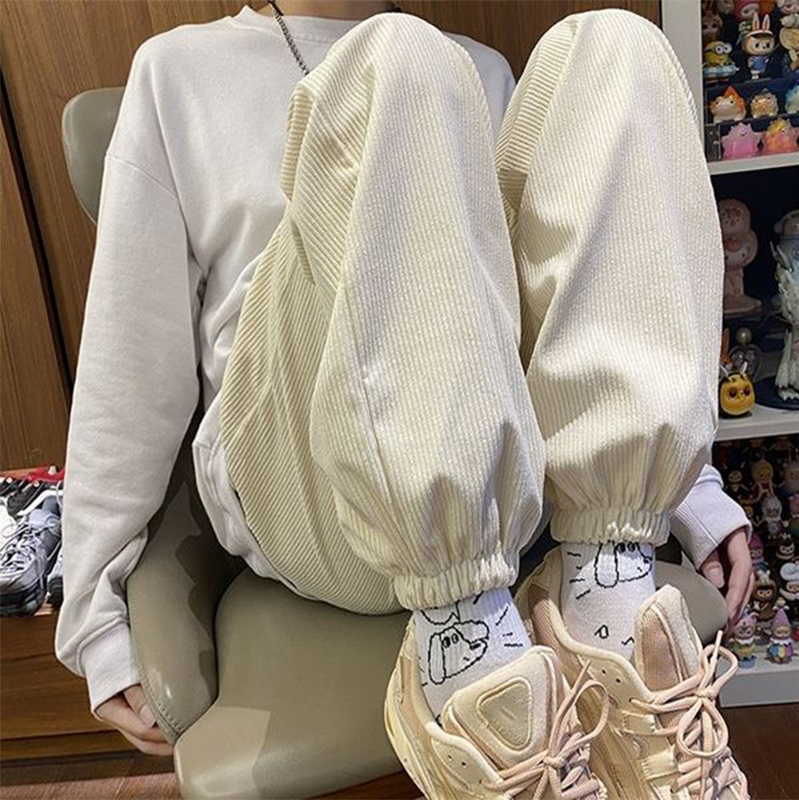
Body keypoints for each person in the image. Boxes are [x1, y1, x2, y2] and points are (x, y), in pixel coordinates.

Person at [56, 2, 752, 795]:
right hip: (310, 487)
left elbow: (583, 290)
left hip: (509, 508)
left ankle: (611, 608)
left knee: (618, 48)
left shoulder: (482, 71)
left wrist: (688, 490)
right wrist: (93, 609)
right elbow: (130, 360)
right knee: (394, 64)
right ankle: (467, 669)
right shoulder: (178, 74)